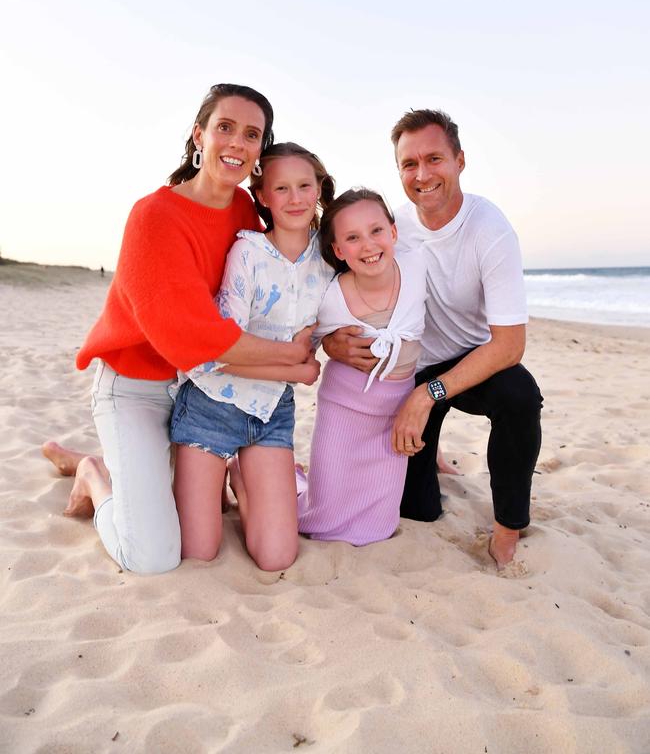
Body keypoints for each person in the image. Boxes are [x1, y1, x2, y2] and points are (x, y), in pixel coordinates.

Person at [42, 85, 315, 575]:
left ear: (259, 151)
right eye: (224, 128)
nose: (236, 142)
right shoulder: (155, 215)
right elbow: (191, 338)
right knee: (152, 556)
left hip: (203, 392)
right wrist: (292, 359)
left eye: (251, 134)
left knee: (196, 520)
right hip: (137, 390)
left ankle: (141, 471)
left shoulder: (244, 214)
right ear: (199, 135)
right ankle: (92, 473)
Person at [323, 110, 543, 569]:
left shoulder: (490, 229)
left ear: (459, 161)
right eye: (409, 164)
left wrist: (429, 395)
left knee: (520, 396)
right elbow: (345, 292)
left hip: (472, 363)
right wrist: (331, 344)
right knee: (417, 510)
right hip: (412, 371)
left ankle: (507, 527)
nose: (422, 175)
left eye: (434, 159)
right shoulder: (391, 229)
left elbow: (509, 346)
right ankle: (431, 450)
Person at [170, 143, 335, 571]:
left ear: (319, 189)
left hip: (270, 411)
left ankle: (241, 477)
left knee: (277, 556)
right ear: (262, 196)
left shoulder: (331, 259)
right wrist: (296, 366)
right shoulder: (249, 253)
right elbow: (216, 356)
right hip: (211, 403)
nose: (295, 198)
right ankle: (103, 475)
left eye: (304, 186)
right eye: (282, 188)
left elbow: (346, 315)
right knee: (198, 550)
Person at [296, 188, 427, 545]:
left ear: (394, 233)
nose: (368, 245)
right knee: (320, 518)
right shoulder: (331, 295)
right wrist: (328, 344)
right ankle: (284, 484)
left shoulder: (416, 267)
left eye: (376, 231)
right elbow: (305, 343)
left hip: (394, 411)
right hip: (344, 409)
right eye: (352, 238)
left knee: (378, 526)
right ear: (338, 250)